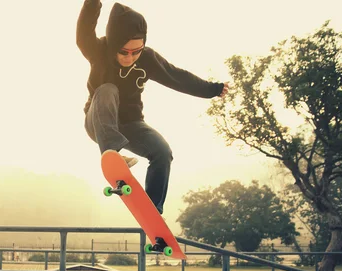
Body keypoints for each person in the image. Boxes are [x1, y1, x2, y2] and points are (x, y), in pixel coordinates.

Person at [77, 1, 229, 214]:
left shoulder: (147, 59)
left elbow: (176, 76)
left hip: (131, 124)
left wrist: (211, 89)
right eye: (124, 52)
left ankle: (153, 210)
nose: (130, 58)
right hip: (98, 122)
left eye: (136, 51)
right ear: (113, 45)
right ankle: (112, 154)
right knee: (108, 90)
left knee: (162, 151)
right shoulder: (98, 51)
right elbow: (84, 32)